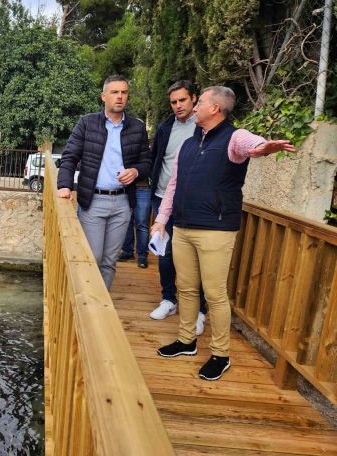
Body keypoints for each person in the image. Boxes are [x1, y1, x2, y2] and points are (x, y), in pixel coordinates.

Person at [150, 86, 295, 381]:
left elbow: (250, 145)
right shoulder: (189, 144)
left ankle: (220, 354)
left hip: (215, 230)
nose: (195, 105)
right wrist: (161, 220)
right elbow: (173, 185)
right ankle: (187, 341)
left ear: (215, 108)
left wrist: (264, 147)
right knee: (186, 289)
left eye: (200, 101)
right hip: (183, 226)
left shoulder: (234, 137)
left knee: (214, 295)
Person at [57, 75, 151, 289]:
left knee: (109, 262)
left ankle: (103, 305)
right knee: (92, 258)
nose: (120, 97)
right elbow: (69, 156)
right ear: (103, 96)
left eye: (124, 92)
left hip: (123, 203)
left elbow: (147, 162)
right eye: (114, 92)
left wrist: (136, 171)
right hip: (93, 200)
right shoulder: (87, 123)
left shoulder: (137, 127)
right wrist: (64, 185)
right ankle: (87, 306)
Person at [149, 80, 207, 336]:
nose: (178, 106)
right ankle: (169, 300)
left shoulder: (205, 127)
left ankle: (200, 311)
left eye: (182, 100)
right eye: (173, 102)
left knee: (197, 256)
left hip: (193, 203)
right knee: (165, 254)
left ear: (193, 98)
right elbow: (157, 159)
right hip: (163, 198)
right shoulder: (165, 127)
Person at [118, 181, 151, 268]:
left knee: (142, 223)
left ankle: (142, 255)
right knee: (126, 221)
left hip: (144, 187)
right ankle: (127, 251)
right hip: (125, 188)